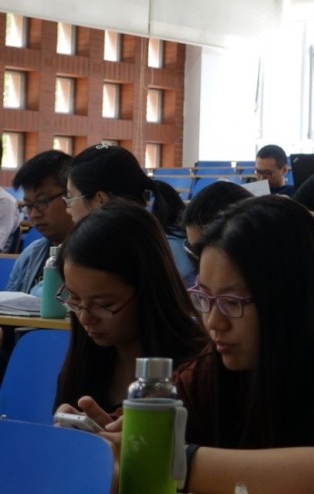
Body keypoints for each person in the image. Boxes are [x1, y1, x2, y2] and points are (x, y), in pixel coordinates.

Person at [76, 196, 314, 492]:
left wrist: (175, 462)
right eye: (204, 298)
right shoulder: (221, 364)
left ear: (289, 299)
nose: (213, 322)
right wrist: (107, 443)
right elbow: (143, 441)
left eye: (232, 303)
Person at [53, 201, 208, 415]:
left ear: (149, 292)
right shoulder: (85, 361)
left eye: (104, 305)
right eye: (75, 299)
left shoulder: (198, 372)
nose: (85, 318)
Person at [64, 143, 196, 286]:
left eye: (70, 198)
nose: (67, 209)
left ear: (100, 200)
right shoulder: (129, 239)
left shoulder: (153, 250)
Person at [5, 150, 74, 294]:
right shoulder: (30, 255)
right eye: (28, 206)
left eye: (42, 202)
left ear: (71, 195)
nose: (34, 214)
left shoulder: (94, 257)